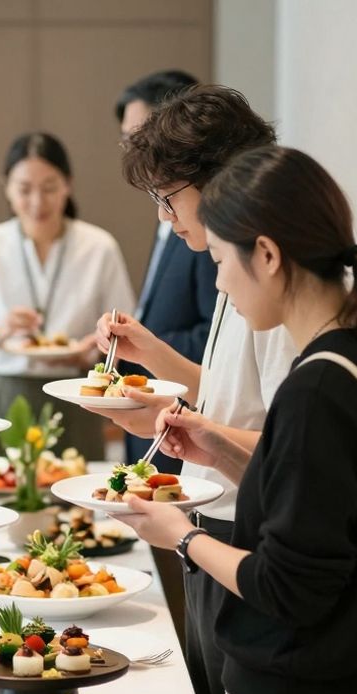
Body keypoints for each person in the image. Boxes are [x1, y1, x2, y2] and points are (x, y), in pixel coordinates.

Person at [109, 145, 357, 694]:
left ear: (265, 255)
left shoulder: (316, 388)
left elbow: (289, 587)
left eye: (219, 260)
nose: (216, 281)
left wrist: (180, 536)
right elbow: (328, 510)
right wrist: (217, 449)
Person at [84, 84, 292, 694]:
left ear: (215, 181)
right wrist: (159, 359)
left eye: (168, 197)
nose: (166, 217)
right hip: (211, 521)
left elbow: (296, 441)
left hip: (247, 535)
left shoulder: (269, 276)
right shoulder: (230, 264)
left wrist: (188, 424)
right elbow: (234, 395)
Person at [0, 131, 135, 460]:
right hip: (6, 389)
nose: (37, 202)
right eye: (24, 189)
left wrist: (95, 350)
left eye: (49, 188)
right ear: (6, 186)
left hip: (77, 392)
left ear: (68, 184)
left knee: (77, 498)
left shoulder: (98, 247)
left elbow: (125, 326)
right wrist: (3, 327)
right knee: (0, 495)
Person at [115, 69, 216, 478]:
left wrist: (150, 344)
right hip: (177, 425)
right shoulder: (173, 219)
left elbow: (211, 345)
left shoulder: (210, 238)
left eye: (140, 136)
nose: (133, 149)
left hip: (199, 448)